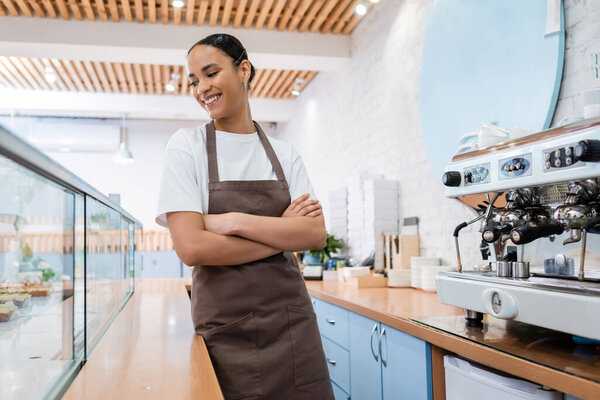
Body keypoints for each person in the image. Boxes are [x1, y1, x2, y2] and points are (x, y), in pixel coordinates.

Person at [154, 33, 335, 400]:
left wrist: (234, 221)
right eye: (193, 81)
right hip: (226, 335)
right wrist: (282, 232)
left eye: (210, 73)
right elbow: (191, 247)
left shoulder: (285, 154)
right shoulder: (187, 146)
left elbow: (315, 235)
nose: (201, 88)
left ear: (244, 70)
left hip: (292, 327)